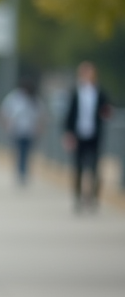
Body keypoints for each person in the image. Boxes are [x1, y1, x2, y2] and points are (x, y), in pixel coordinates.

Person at [63, 62, 113, 212]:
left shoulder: (100, 92)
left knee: (95, 168)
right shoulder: (75, 92)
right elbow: (69, 114)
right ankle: (78, 198)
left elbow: (108, 110)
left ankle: (93, 198)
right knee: (78, 167)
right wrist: (68, 133)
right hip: (79, 134)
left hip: (95, 135)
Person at [0, 77, 42, 185]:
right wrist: (6, 125)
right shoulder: (15, 97)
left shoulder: (34, 99)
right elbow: (6, 111)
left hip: (30, 131)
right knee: (19, 152)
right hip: (17, 130)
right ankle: (21, 172)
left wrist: (39, 128)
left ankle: (23, 171)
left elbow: (41, 116)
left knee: (26, 153)